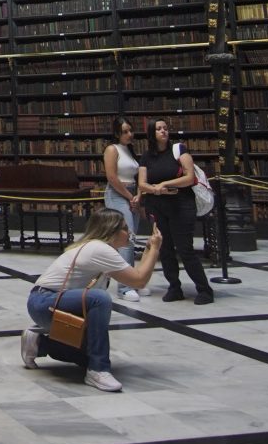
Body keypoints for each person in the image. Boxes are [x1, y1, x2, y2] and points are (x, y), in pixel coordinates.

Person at [21, 209, 163, 390]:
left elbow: (137, 276)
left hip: (46, 302)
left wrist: (150, 250)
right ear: (112, 231)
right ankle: (98, 370)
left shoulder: (99, 248)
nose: (130, 234)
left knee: (88, 354)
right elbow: (139, 281)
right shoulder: (100, 249)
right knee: (99, 299)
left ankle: (39, 344)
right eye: (125, 229)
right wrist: (155, 249)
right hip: (45, 301)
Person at [136, 119, 213, 304]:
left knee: (185, 249)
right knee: (165, 249)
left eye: (165, 128)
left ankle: (204, 290)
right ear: (151, 134)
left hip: (181, 205)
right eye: (159, 129)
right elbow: (141, 183)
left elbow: (190, 177)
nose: (163, 131)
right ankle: (174, 287)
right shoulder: (147, 156)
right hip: (158, 205)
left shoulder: (179, 150)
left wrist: (165, 184)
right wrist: (155, 190)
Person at [100, 118, 146, 301]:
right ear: (117, 134)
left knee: (132, 238)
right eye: (125, 131)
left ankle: (133, 281)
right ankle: (124, 287)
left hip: (133, 193)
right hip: (118, 194)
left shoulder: (130, 150)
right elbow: (112, 177)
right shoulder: (112, 149)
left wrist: (138, 197)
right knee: (124, 238)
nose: (129, 135)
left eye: (130, 131)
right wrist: (130, 197)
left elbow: (139, 175)